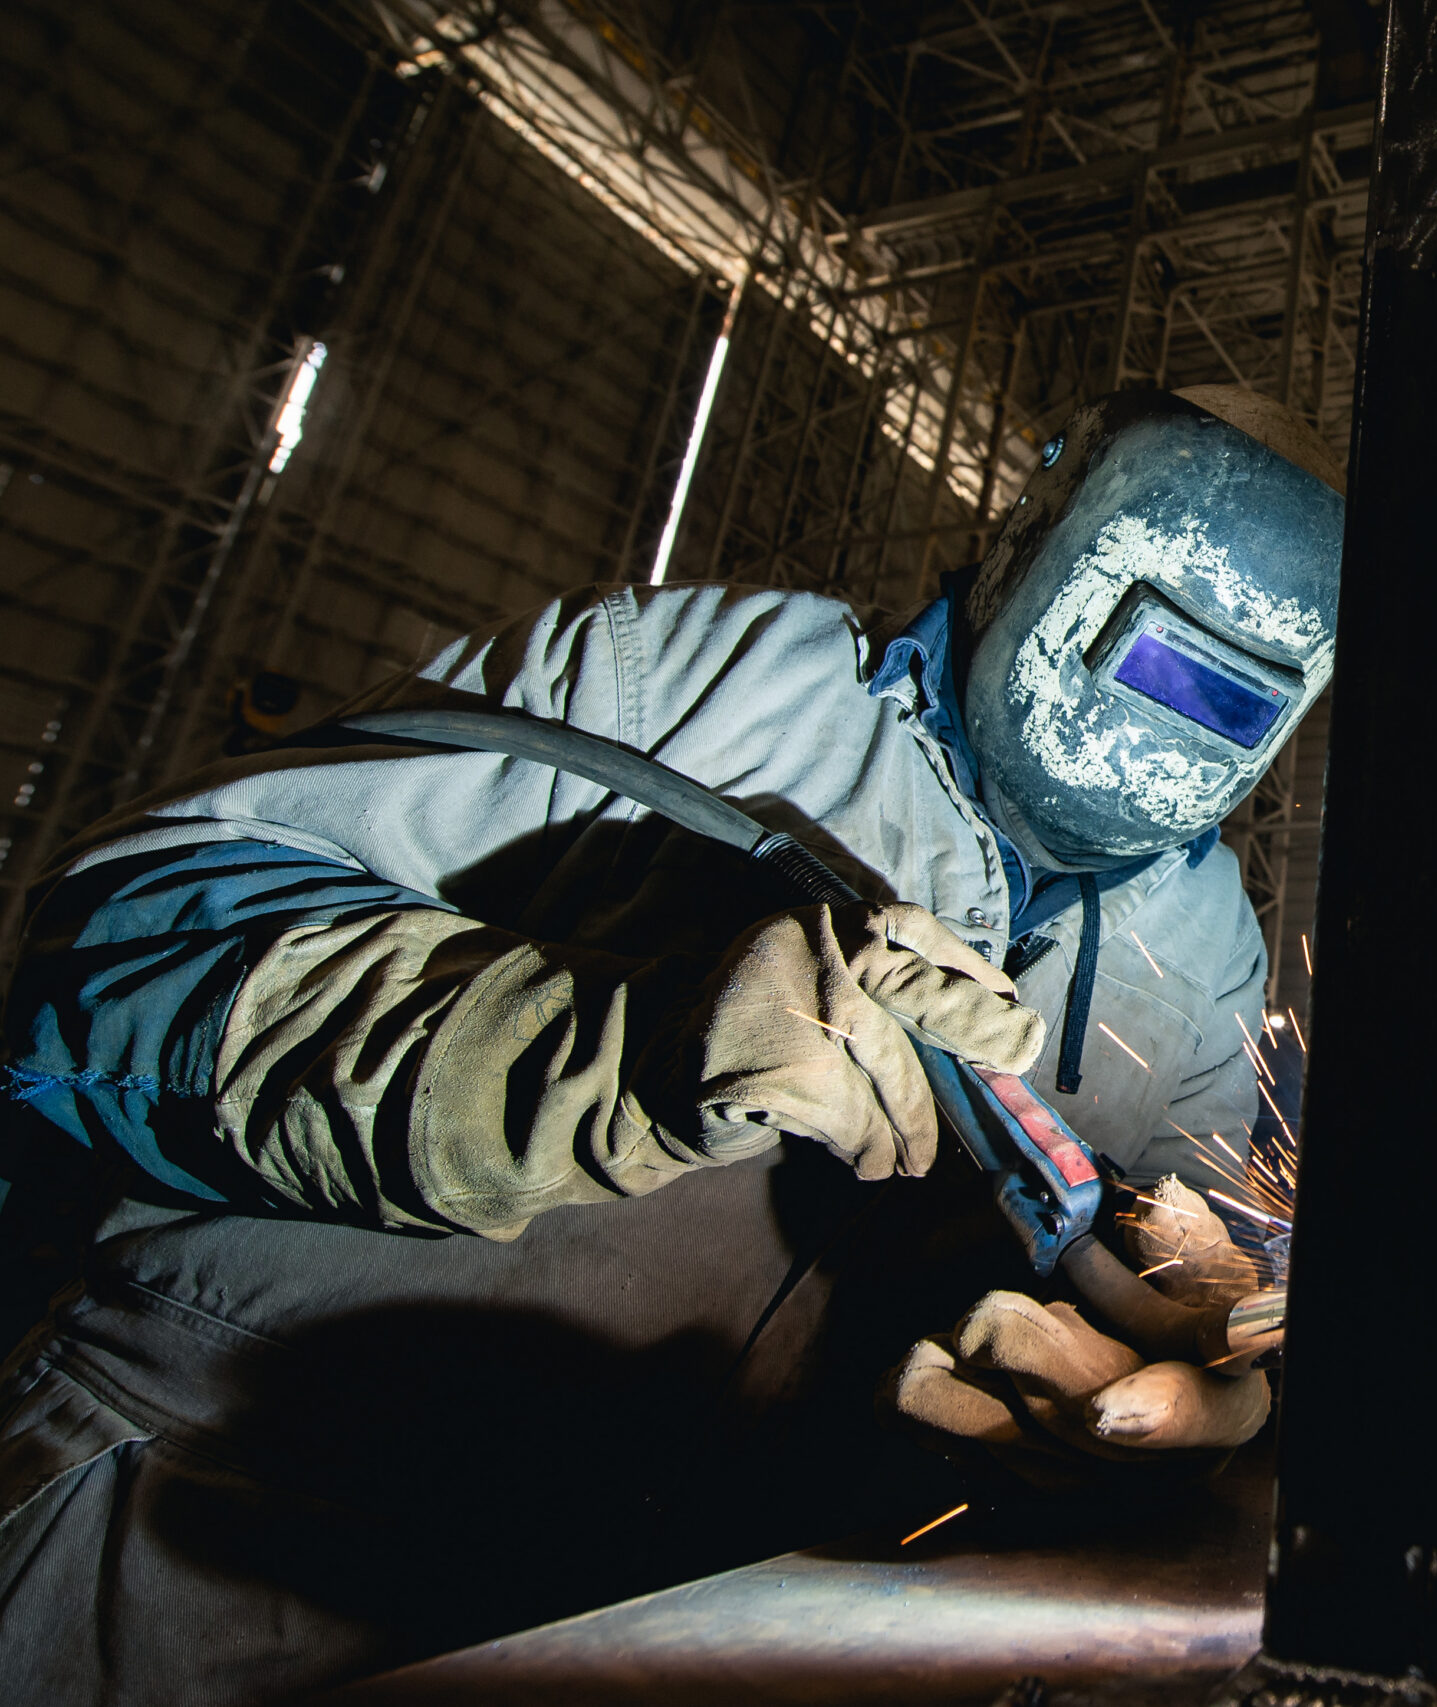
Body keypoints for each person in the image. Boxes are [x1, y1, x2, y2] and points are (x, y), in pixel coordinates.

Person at [0, 385, 1343, 1703]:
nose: (1172, 724)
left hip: (686, 1625)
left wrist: (1207, 1382)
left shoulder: (1212, 944)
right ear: (1038, 540)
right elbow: (108, 956)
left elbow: (1205, 1255)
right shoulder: (702, 683)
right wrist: (594, 1051)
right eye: (1160, 656)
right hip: (206, 1543)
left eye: (1238, 699)